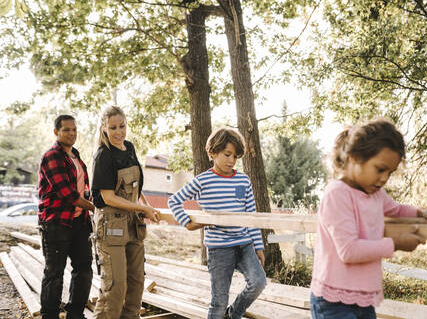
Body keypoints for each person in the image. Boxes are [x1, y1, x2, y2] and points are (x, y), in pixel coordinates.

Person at [310, 118, 427, 319]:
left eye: (390, 172)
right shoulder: (337, 194)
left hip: (363, 298)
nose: (384, 178)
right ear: (355, 158)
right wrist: (395, 244)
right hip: (333, 301)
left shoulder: (375, 195)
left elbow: (396, 209)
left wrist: (419, 212)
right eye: (380, 169)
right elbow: (349, 251)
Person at [169, 128, 267, 319]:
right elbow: (174, 201)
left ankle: (234, 314)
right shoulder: (203, 180)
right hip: (219, 248)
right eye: (227, 154)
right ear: (213, 153)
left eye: (235, 157)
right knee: (219, 301)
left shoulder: (243, 180)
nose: (231, 160)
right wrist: (187, 223)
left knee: (258, 282)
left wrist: (259, 246)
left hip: (245, 243)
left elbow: (251, 216)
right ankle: (224, 313)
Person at [91, 105, 159, 319]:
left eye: (122, 126)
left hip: (133, 224)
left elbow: (136, 188)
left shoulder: (129, 148)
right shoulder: (103, 156)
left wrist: (146, 208)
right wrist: (142, 208)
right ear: (104, 128)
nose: (119, 132)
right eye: (113, 128)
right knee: (115, 286)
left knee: (137, 282)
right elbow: (108, 197)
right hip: (111, 226)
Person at [38, 115, 95, 319]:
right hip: (56, 223)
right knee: (54, 273)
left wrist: (90, 205)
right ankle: (50, 315)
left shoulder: (77, 157)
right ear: (56, 132)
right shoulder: (52, 156)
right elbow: (67, 194)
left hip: (80, 223)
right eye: (66, 130)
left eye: (74, 129)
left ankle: (75, 314)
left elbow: (84, 190)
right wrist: (94, 207)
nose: (72, 133)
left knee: (84, 270)